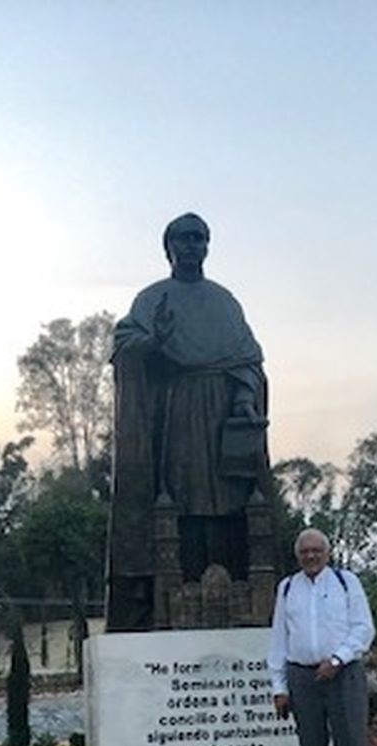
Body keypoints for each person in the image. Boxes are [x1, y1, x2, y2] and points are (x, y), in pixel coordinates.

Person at [105, 212, 271, 631]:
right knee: (181, 496)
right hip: (177, 412)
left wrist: (246, 397)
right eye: (184, 238)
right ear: (169, 248)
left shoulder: (224, 301)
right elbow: (126, 346)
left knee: (233, 501)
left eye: (200, 238)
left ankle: (236, 587)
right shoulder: (151, 299)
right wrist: (154, 342)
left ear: (208, 246)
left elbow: (248, 359)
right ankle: (174, 590)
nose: (193, 245)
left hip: (224, 415)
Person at [268, 528, 376, 746]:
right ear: (298, 556)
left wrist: (339, 659)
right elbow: (279, 640)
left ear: (327, 553)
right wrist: (279, 687)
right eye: (305, 552)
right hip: (303, 677)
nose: (310, 556)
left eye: (316, 551)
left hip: (343, 674)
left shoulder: (346, 583)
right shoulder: (287, 588)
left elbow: (363, 628)